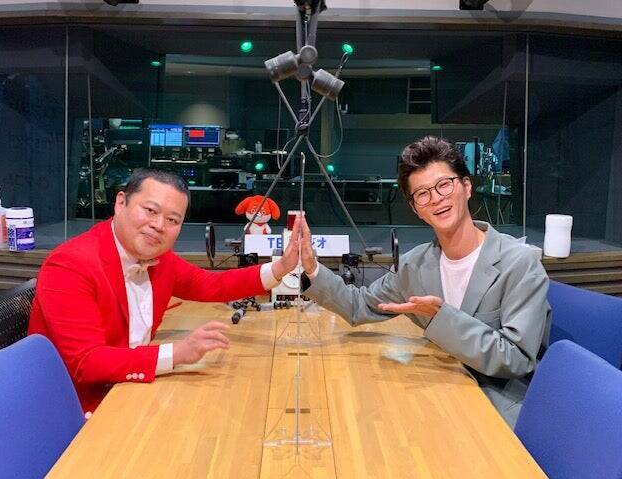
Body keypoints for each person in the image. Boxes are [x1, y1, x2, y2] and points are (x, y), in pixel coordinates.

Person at [298, 136, 551, 427]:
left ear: (466, 186)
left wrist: (441, 317)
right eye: (422, 193)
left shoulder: (518, 263)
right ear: (416, 208)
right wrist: (312, 268)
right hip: (438, 391)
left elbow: (516, 359)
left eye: (445, 184)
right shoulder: (414, 265)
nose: (436, 198)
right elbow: (358, 305)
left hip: (496, 406)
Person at [29, 168, 300, 415]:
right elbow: (87, 362)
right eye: (150, 210)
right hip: (78, 412)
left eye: (172, 219)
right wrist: (178, 353)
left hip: (129, 391)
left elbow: (211, 284)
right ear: (121, 202)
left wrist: (282, 267)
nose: (159, 225)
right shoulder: (70, 264)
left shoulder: (159, 259)